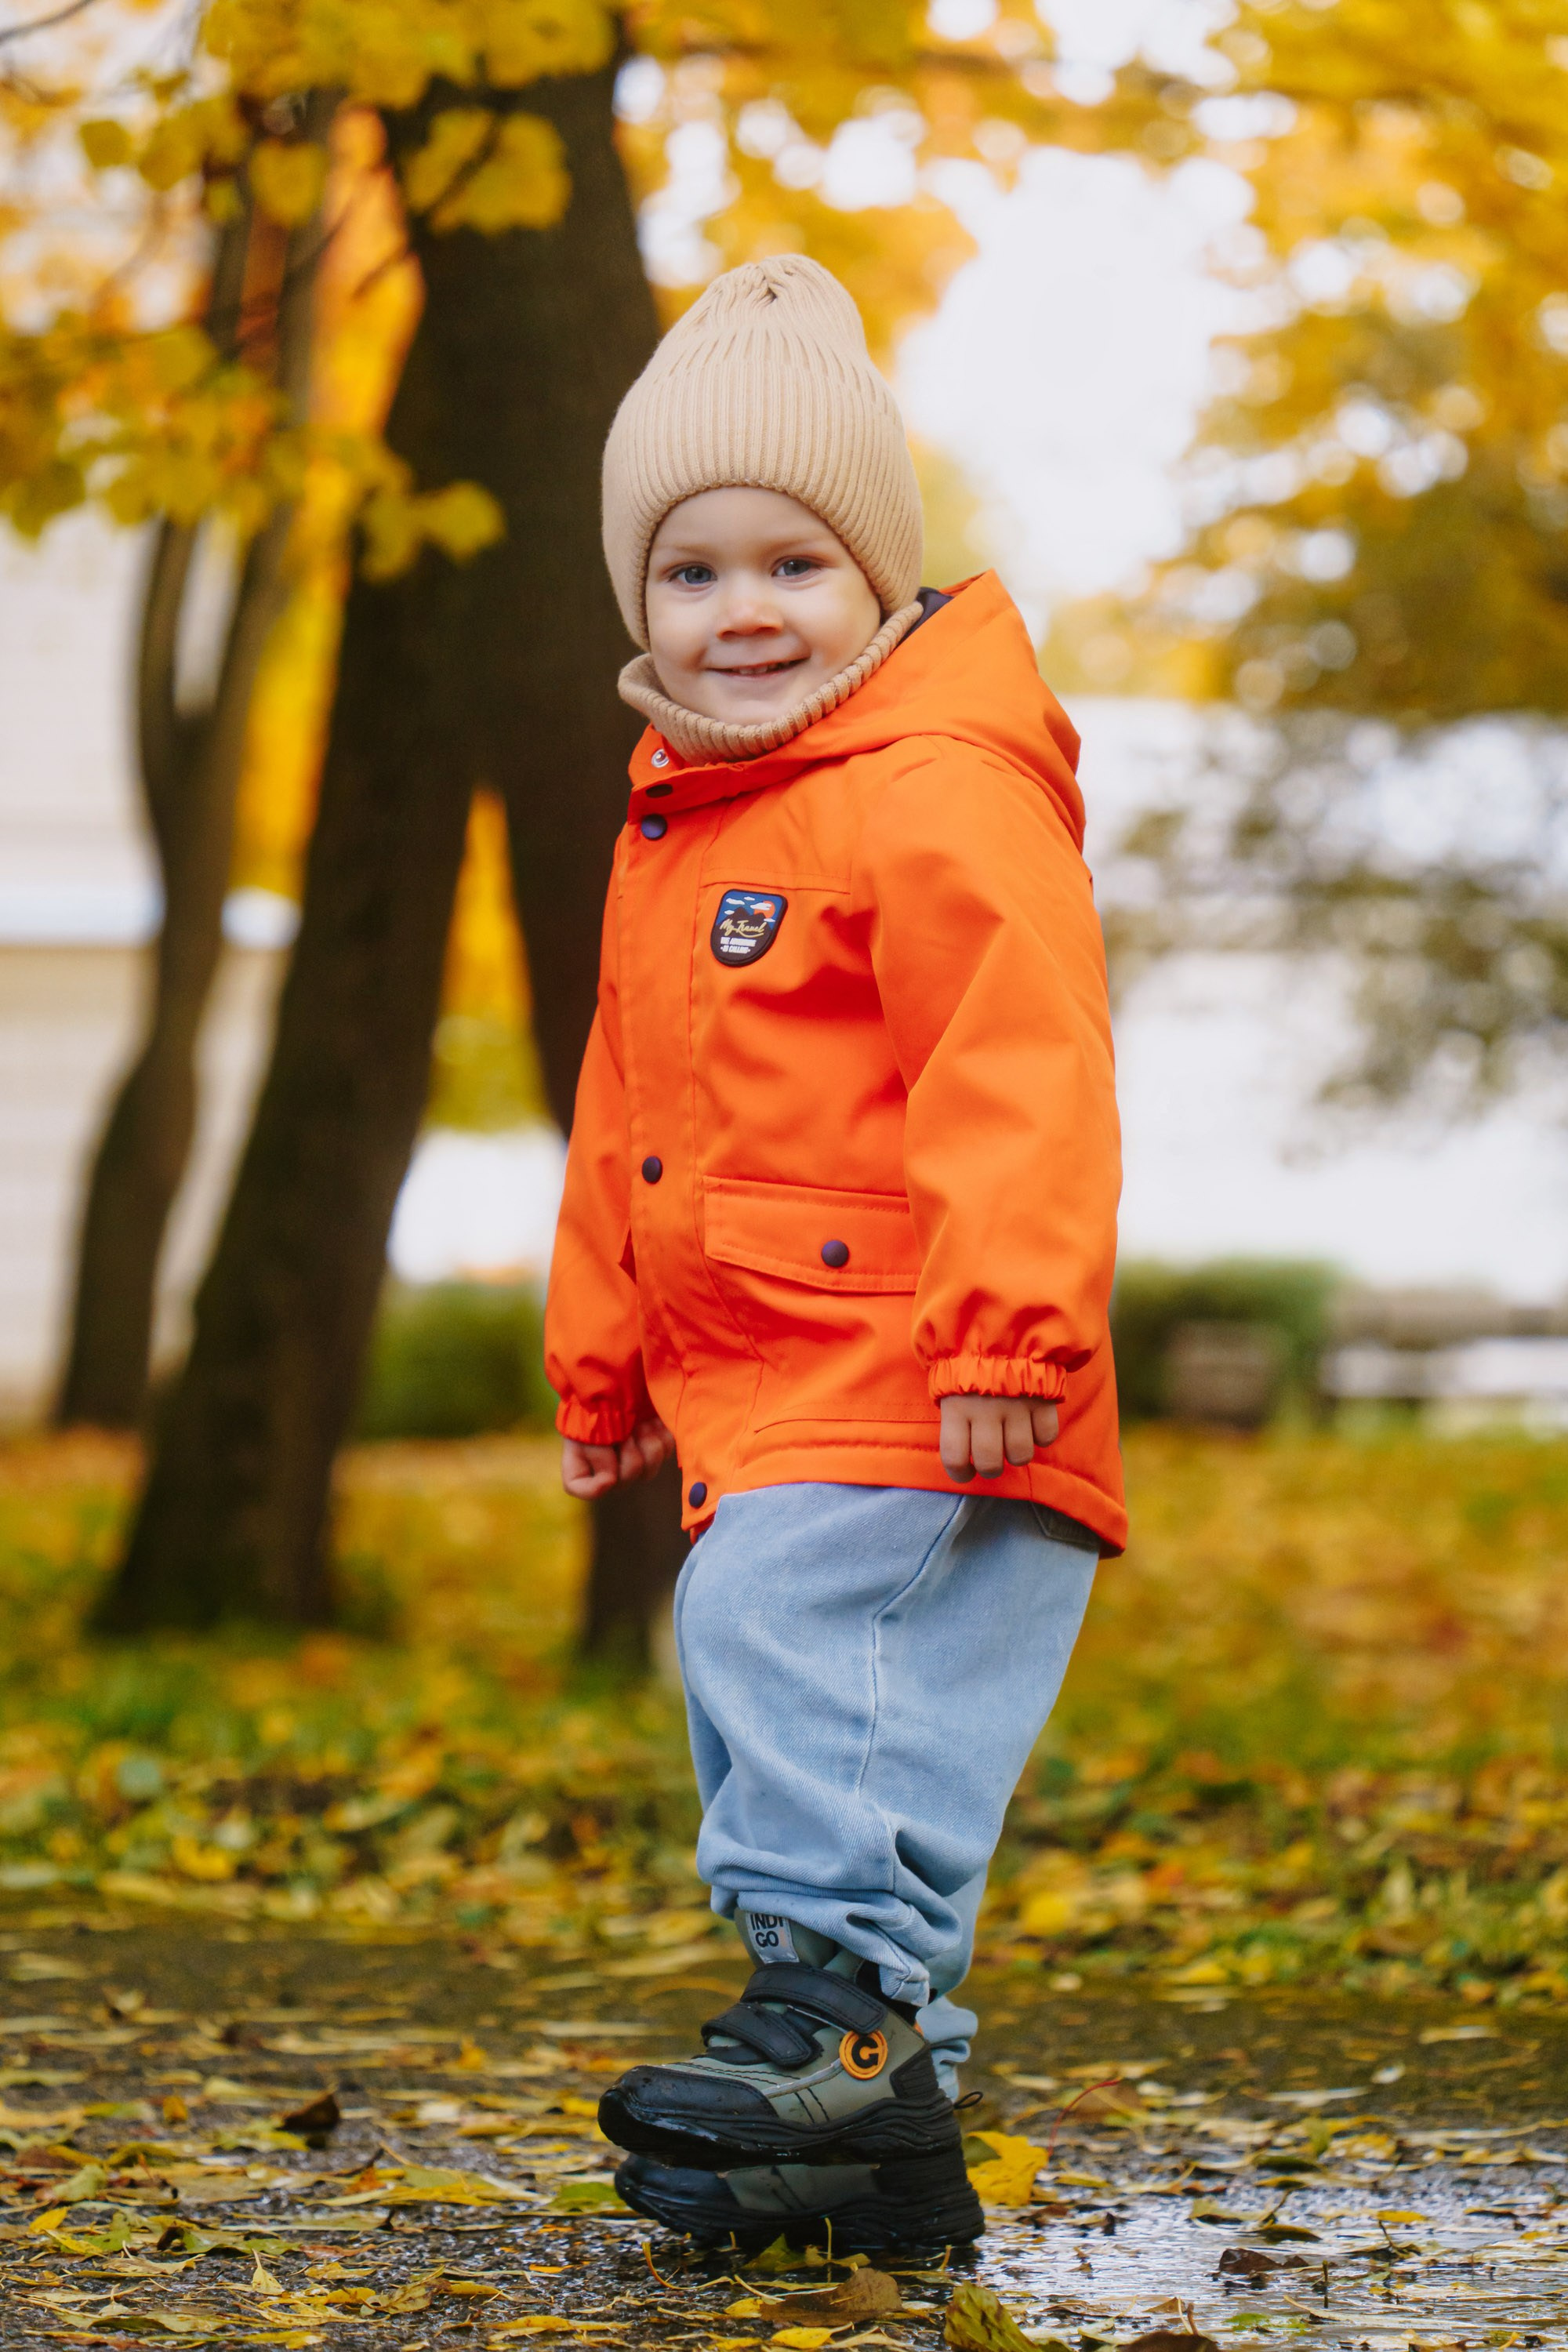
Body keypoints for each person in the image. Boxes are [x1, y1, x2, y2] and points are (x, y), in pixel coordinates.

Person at [544, 255, 1123, 2252]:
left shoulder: (934, 792)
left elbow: (1020, 1065)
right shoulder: (688, 824)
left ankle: (845, 2029)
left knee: (791, 1654)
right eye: (689, 573)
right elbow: (635, 1124)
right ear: (638, 602)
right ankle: (858, 2137)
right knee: (760, 1680)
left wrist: (1009, 1332)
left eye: (792, 561)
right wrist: (602, 1361)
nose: (742, 611)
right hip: (780, 1383)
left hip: (931, 1362)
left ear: (879, 580)